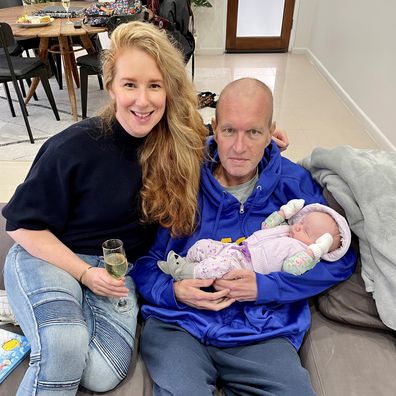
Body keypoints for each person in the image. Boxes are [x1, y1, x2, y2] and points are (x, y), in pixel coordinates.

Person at [1, 21, 208, 395]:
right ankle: (53, 323)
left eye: (155, 85)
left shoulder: (182, 145)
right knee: (64, 346)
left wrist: (269, 144)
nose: (142, 101)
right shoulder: (72, 147)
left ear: (169, 90)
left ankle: (44, 319)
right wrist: (82, 274)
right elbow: (20, 226)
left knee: (100, 374)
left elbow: (233, 150)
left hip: (116, 272)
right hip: (51, 256)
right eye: (130, 84)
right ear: (110, 85)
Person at [131, 77, 356, 396]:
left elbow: (339, 259)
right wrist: (176, 292)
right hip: (180, 326)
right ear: (214, 127)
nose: (239, 147)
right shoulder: (181, 178)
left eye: (253, 132)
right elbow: (143, 260)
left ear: (270, 133)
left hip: (261, 331)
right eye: (229, 131)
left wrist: (266, 287)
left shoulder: (294, 185)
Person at [158, 199, 352, 280]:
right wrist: (283, 212)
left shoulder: (300, 253)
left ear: (317, 244)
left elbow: (291, 268)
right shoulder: (288, 230)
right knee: (203, 245)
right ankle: (185, 262)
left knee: (219, 266)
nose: (298, 226)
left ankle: (186, 273)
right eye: (302, 221)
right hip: (238, 248)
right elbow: (266, 227)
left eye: (306, 231)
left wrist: (313, 253)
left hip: (245, 266)